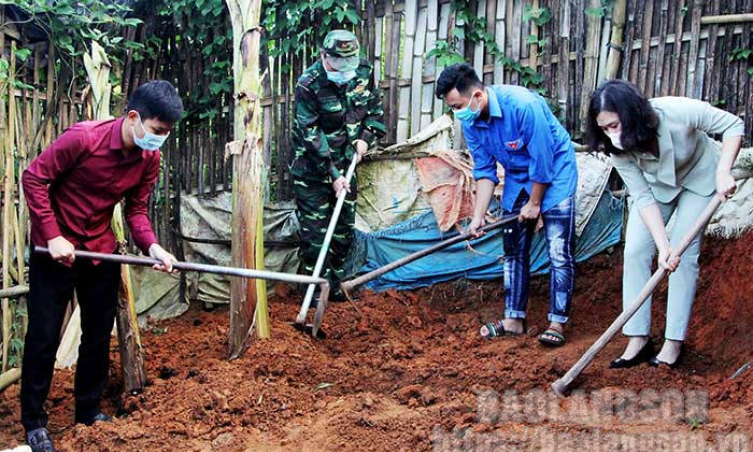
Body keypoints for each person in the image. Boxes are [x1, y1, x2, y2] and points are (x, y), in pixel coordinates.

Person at [21, 80, 183, 452]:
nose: (159, 140)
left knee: (96, 337)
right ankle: (34, 422)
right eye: (157, 131)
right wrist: (52, 234)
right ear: (133, 118)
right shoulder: (83, 139)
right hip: (54, 251)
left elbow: (136, 211)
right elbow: (34, 178)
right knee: (44, 338)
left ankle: (88, 412)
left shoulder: (149, 158)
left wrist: (154, 247)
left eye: (166, 134)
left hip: (99, 252)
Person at [586, 80, 743, 369]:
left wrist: (723, 171)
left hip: (700, 179)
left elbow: (733, 125)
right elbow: (642, 196)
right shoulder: (615, 149)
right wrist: (663, 246)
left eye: (615, 125)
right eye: (605, 128)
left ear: (632, 115)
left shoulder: (677, 111)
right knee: (635, 250)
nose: (611, 134)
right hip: (657, 189)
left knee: (684, 257)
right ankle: (638, 338)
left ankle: (673, 343)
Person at [435, 63, 579, 346]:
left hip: (555, 170)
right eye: (452, 108)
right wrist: (478, 218)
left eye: (458, 105)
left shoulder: (523, 106)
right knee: (512, 247)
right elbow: (485, 171)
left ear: (477, 95)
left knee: (558, 250)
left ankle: (557, 322)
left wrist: (536, 203)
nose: (457, 112)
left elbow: (543, 159)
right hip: (517, 176)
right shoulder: (471, 121)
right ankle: (514, 320)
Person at [291, 29, 386, 301]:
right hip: (311, 171)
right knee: (315, 237)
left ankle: (332, 288)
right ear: (323, 56)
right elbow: (309, 132)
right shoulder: (308, 83)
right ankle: (309, 292)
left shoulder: (364, 72)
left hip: (349, 165)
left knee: (343, 232)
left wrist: (366, 140)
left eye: (349, 62)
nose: (344, 70)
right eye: (338, 62)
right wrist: (332, 173)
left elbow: (375, 113)